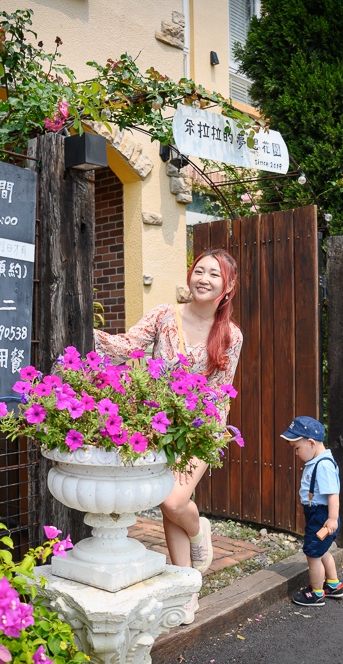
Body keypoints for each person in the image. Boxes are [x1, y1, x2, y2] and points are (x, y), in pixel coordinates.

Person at [94, 249, 243, 619]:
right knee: (166, 503)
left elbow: (222, 390)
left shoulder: (230, 335)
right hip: (159, 422)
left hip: (198, 430)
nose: (203, 278)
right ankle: (186, 586)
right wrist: (82, 327)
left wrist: (211, 436)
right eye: (199, 270)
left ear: (227, 288)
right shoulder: (164, 315)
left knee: (174, 501)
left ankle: (198, 533)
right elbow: (126, 346)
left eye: (214, 275)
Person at [280, 416, 343, 607]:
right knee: (322, 550)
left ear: (311, 443)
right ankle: (333, 585)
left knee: (313, 554)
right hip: (319, 515)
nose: (296, 453)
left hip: (322, 516)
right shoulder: (319, 461)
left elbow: (333, 494)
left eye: (297, 448)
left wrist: (332, 519)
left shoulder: (323, 465)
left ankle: (316, 593)